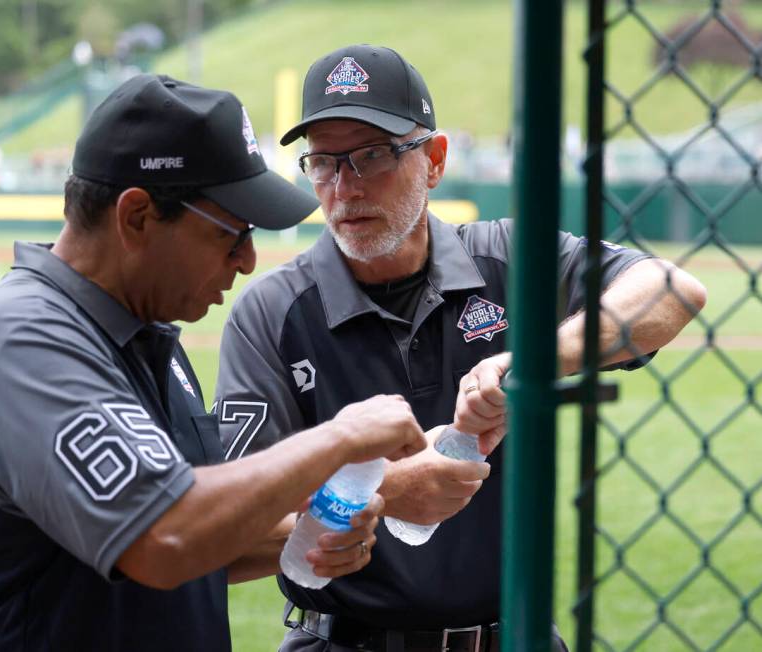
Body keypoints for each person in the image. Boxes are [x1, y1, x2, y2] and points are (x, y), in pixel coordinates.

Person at [214, 45, 708, 652]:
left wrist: (525, 362)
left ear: (436, 160)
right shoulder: (272, 314)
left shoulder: (508, 259)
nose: (345, 187)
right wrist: (385, 492)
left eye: (373, 156)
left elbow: (673, 291)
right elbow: (232, 532)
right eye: (323, 162)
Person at [0, 73, 427, 652]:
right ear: (136, 217)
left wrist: (304, 537)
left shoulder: (148, 333)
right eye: (232, 232)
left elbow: (190, 535)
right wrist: (339, 440)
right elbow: (163, 537)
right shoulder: (26, 334)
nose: (247, 261)